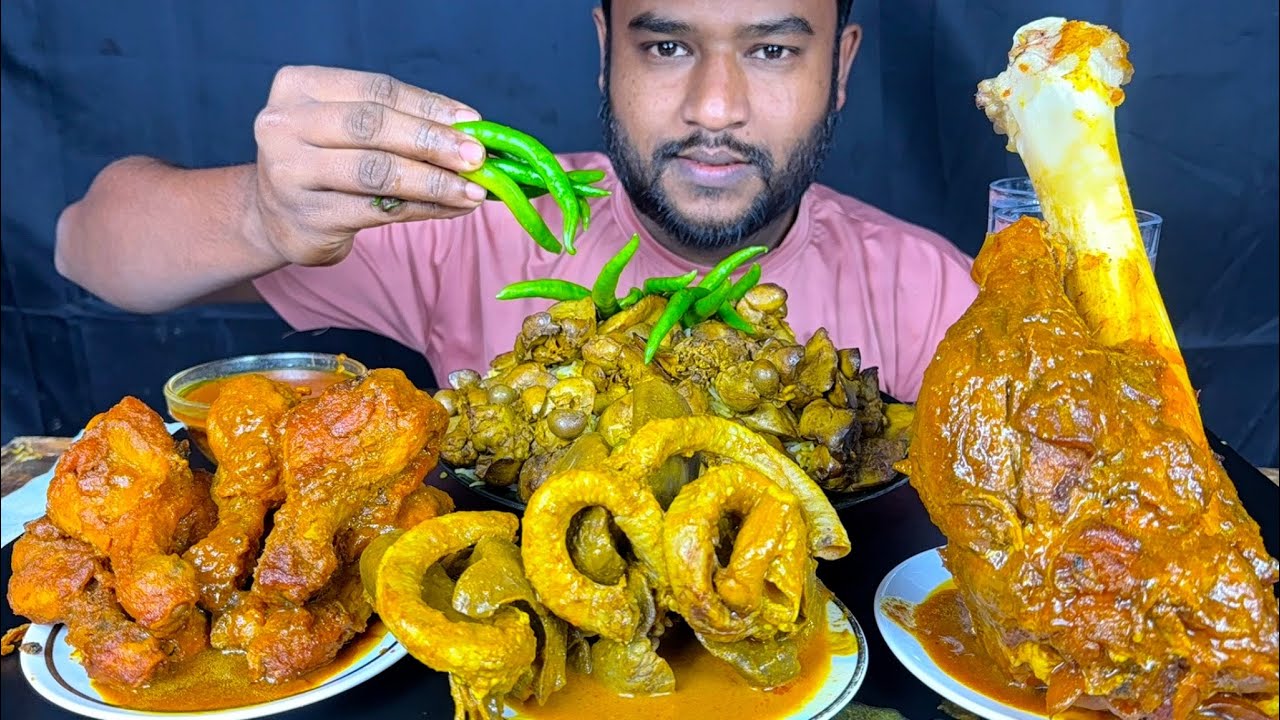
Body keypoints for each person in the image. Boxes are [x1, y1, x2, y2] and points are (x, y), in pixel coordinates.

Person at [53, 0, 977, 402]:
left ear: (841, 67)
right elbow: (86, 248)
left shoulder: (930, 292)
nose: (715, 107)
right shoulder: (465, 218)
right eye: (665, 47)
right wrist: (262, 212)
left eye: (773, 50)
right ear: (604, 47)